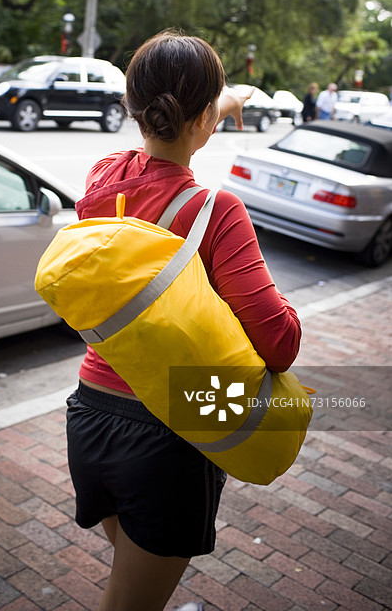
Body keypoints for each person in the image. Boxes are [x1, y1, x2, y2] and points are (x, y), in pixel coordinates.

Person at [66, 31, 302, 611]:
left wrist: (220, 101)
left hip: (90, 416)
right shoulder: (217, 211)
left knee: (133, 575)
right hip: (166, 438)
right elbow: (280, 344)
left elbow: (165, 134)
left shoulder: (103, 178)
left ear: (135, 105)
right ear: (203, 118)